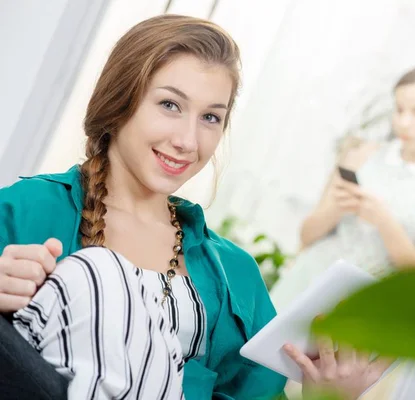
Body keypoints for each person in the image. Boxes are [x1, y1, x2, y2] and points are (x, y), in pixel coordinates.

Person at [0, 15, 390, 400]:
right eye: (170, 105)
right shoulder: (26, 210)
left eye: (210, 117)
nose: (188, 140)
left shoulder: (235, 275)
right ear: (119, 101)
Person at [270, 64, 415, 311]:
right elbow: (306, 236)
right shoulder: (362, 154)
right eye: (399, 110)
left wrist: (385, 222)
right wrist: (336, 208)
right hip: (307, 282)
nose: (404, 122)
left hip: (371, 310)